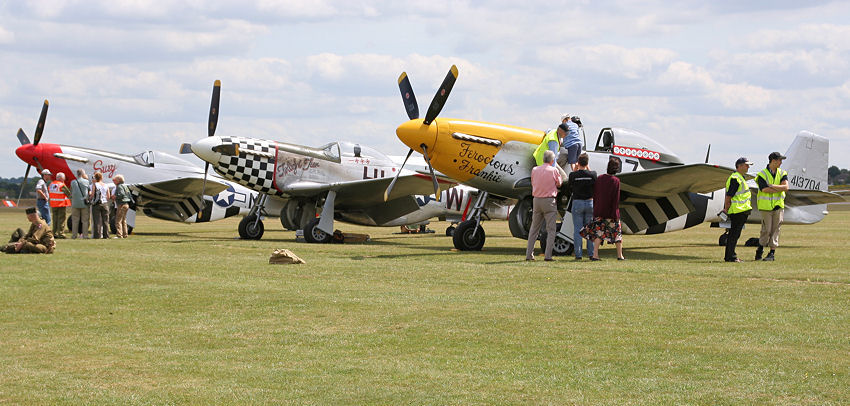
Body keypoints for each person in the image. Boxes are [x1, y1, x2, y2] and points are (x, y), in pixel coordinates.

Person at [581, 157, 625, 261]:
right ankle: (620, 255)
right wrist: (615, 213)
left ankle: (595, 255)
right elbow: (616, 199)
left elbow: (595, 194)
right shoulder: (616, 181)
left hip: (599, 211)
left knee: (598, 234)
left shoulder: (599, 178)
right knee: (617, 234)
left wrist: (596, 210)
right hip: (611, 213)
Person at [526, 150, 563, 261]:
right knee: (551, 230)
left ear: (543, 159)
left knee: (534, 229)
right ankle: (548, 255)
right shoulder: (554, 170)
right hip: (549, 201)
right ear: (552, 161)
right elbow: (559, 183)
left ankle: (529, 254)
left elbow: (533, 182)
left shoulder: (535, 169)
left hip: (536, 200)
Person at [755, 151, 789, 261]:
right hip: (765, 207)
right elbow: (764, 189)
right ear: (773, 161)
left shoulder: (783, 173)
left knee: (776, 229)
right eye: (779, 160)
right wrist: (779, 188)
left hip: (778, 206)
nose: (781, 163)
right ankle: (760, 250)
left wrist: (773, 186)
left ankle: (772, 253)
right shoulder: (762, 174)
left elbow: (786, 187)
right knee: (766, 230)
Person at [722, 158, 753, 262]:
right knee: (734, 235)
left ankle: (730, 256)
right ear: (739, 166)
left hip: (740, 211)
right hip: (737, 211)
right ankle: (731, 257)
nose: (748, 167)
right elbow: (729, 196)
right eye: (746, 165)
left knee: (735, 234)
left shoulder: (740, 177)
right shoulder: (736, 178)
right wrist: (726, 209)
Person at [566, 153, 596, 260]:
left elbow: (569, 187)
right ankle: (591, 253)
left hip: (577, 202)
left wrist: (576, 170)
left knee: (578, 230)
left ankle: (578, 254)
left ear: (578, 163)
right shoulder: (593, 174)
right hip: (589, 203)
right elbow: (595, 185)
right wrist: (588, 168)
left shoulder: (573, 175)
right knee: (590, 229)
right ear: (587, 163)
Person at [69, 168, 91, 239]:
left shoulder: (73, 182)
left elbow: (71, 192)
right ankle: (85, 235)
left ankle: (74, 235)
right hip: (84, 203)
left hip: (75, 203)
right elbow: (88, 192)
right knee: (85, 220)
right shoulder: (87, 182)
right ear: (82, 174)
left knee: (75, 220)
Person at [48, 172, 71, 239]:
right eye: (63, 178)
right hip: (61, 204)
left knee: (55, 219)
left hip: (53, 204)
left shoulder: (51, 184)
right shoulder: (61, 185)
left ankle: (54, 232)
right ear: (61, 178)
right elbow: (68, 194)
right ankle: (60, 233)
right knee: (61, 219)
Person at [90, 172, 111, 239]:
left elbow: (92, 194)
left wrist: (89, 199)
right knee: (105, 220)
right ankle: (106, 235)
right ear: (101, 178)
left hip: (96, 204)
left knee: (97, 220)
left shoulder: (95, 185)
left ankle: (97, 235)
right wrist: (105, 200)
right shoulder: (106, 185)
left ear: (95, 178)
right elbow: (108, 196)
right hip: (104, 204)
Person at [112, 174, 132, 238]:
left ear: (118, 180)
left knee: (118, 220)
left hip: (121, 204)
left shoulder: (119, 186)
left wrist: (115, 197)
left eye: (114, 180)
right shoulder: (125, 186)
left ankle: (119, 235)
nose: (113, 181)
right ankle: (125, 234)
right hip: (126, 204)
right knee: (124, 220)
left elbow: (121, 194)